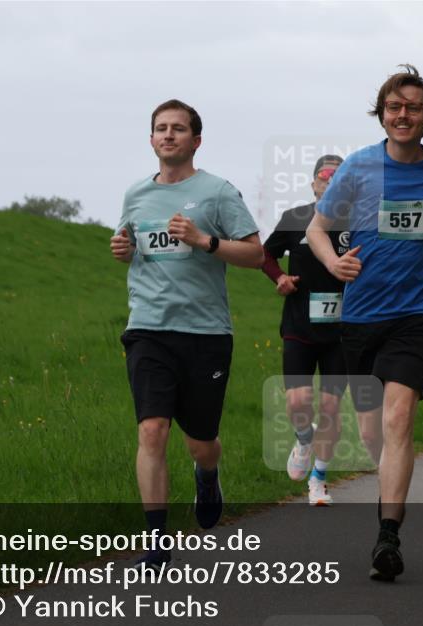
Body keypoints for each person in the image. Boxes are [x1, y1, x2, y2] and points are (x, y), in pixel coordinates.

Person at [306, 64, 423, 581]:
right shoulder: (359, 167)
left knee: (399, 419)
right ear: (382, 114)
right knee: (373, 432)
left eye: (413, 107)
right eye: (394, 106)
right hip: (361, 315)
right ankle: (391, 491)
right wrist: (333, 263)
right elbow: (318, 228)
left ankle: (387, 537)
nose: (403, 115)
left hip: (417, 315)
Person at [109, 99, 264, 569]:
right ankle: (157, 540)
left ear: (196, 141)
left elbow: (256, 255)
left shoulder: (218, 192)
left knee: (201, 442)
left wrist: (204, 241)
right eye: (161, 128)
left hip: (204, 333)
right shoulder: (136, 195)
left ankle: (207, 473)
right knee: (152, 430)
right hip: (148, 328)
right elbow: (130, 244)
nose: (168, 135)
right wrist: (123, 248)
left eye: (178, 128)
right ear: (151, 139)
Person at [262, 155, 347, 506]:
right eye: (324, 177)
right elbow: (265, 255)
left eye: (338, 177)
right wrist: (279, 277)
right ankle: (303, 439)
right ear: (314, 184)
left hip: (341, 333)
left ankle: (319, 480)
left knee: (330, 408)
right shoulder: (294, 218)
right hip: (299, 325)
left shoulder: (359, 223)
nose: (330, 182)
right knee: (298, 403)